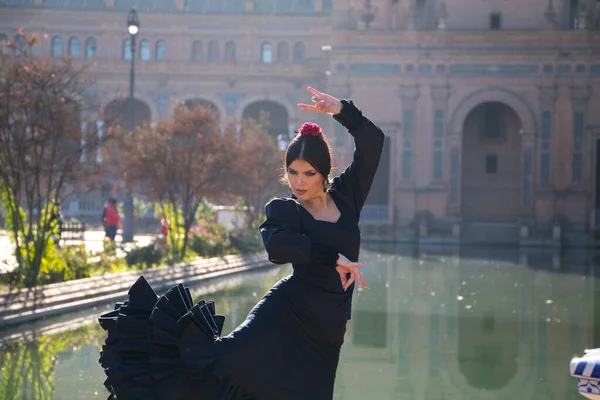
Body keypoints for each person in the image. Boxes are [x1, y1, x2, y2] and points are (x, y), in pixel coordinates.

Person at [97, 86, 385, 400]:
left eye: (309, 173)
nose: (299, 182)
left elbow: (373, 142)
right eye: (292, 172)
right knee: (214, 368)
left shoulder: (347, 197)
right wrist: (331, 257)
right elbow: (278, 247)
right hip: (283, 318)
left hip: (326, 334)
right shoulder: (288, 210)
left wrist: (342, 111)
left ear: (324, 172)